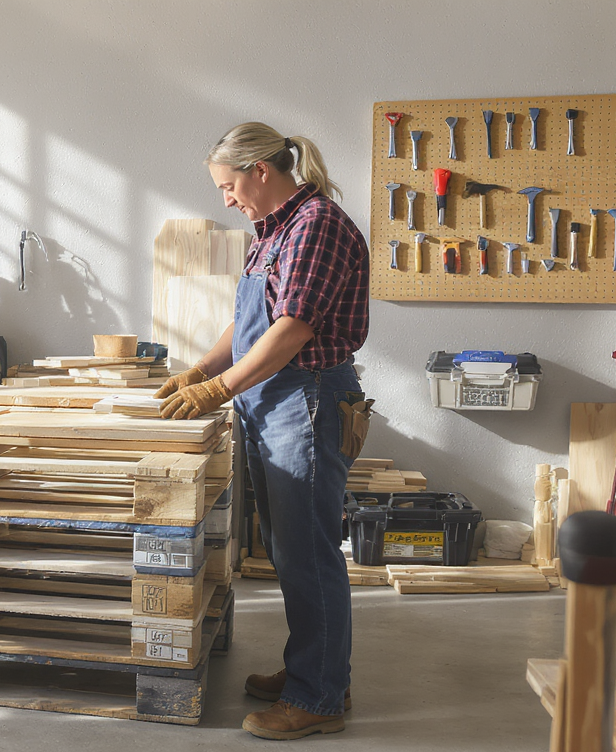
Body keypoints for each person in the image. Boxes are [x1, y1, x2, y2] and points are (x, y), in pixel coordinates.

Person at [154, 122, 372, 740]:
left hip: (304, 400)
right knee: (287, 548)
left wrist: (218, 389)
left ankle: (319, 699)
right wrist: (199, 367)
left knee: (308, 552)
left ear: (260, 171)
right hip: (274, 398)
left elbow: (292, 330)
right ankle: (319, 669)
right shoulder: (272, 231)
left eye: (228, 185)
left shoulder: (316, 227)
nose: (225, 199)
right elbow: (247, 323)